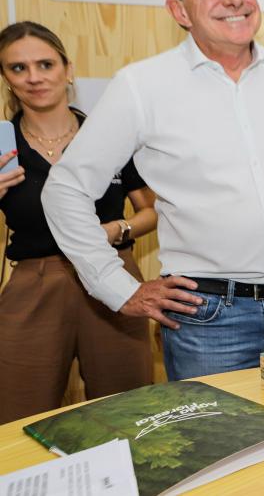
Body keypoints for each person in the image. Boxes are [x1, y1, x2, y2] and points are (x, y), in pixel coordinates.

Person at [42, 0, 264, 381]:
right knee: (220, 429)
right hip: (209, 320)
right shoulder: (142, 86)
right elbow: (64, 191)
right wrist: (118, 288)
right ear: (179, 10)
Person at [0, 22, 156, 423]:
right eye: (18, 68)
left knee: (130, 412)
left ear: (68, 70)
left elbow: (152, 211)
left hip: (114, 272)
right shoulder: (3, 147)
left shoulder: (107, 135)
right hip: (34, 282)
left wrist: (117, 229)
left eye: (45, 64)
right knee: (18, 416)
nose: (33, 77)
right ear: (6, 78)